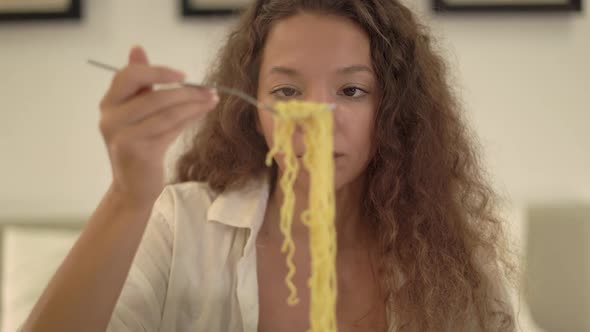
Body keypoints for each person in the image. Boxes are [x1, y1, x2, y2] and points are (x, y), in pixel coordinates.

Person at [22, 0, 518, 331]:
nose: (316, 119)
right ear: (252, 111)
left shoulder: (450, 255)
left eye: (351, 91)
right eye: (287, 91)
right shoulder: (180, 226)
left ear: (393, 111)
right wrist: (127, 196)